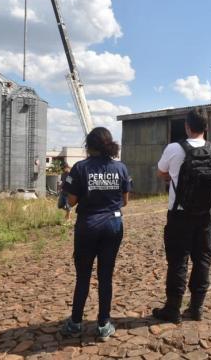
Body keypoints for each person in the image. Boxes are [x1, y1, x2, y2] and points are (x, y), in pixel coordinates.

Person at [60, 127, 130, 340]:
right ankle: (103, 324)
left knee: (83, 276)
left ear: (88, 146)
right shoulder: (120, 168)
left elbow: (70, 202)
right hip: (112, 225)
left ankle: (75, 323)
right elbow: (125, 201)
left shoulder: (80, 168)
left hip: (87, 226)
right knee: (105, 276)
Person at [153, 108, 211, 323]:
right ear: (206, 127)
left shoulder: (174, 148)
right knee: (202, 260)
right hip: (205, 215)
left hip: (179, 215)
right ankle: (196, 308)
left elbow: (161, 172)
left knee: (178, 261)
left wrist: (173, 176)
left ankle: (172, 309)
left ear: (187, 126)